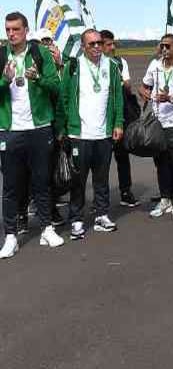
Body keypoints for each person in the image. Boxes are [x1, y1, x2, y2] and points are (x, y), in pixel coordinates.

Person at [0, 12, 64, 258]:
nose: (11, 34)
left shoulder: (41, 54)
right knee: (11, 187)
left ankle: (47, 228)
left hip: (39, 128)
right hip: (10, 130)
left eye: (16, 29)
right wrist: (4, 81)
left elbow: (55, 86)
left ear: (26, 30)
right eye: (8, 30)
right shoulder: (1, 56)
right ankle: (11, 236)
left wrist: (38, 78)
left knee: (42, 181)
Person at [61, 28, 124, 240]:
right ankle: (77, 219)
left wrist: (118, 123)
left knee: (102, 178)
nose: (97, 47)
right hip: (80, 134)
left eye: (99, 43)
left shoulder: (112, 66)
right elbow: (65, 98)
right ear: (83, 46)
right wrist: (66, 127)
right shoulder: (73, 66)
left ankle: (101, 215)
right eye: (92, 44)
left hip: (103, 134)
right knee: (78, 180)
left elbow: (117, 97)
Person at [140, 33, 173, 220]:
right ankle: (165, 199)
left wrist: (169, 98)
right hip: (156, 123)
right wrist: (145, 94)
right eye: (161, 46)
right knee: (160, 163)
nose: (164, 49)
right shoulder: (154, 66)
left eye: (168, 46)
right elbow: (144, 86)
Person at [100, 30, 139, 208]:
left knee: (122, 157)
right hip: (100, 120)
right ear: (100, 46)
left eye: (113, 43)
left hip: (120, 116)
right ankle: (101, 198)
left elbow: (128, 86)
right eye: (108, 44)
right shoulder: (95, 64)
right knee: (100, 162)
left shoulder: (120, 62)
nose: (113, 47)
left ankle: (125, 191)